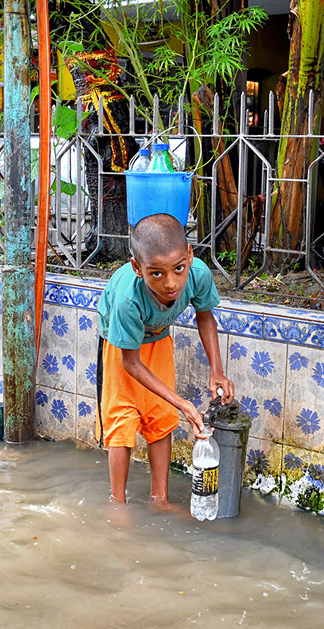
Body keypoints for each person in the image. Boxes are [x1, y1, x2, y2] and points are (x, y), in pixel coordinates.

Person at [96, 213, 234, 506]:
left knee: (160, 415)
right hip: (120, 345)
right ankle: (117, 503)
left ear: (189, 255)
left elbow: (205, 315)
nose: (171, 283)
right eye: (156, 273)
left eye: (179, 269)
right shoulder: (127, 300)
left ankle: (160, 499)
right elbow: (130, 363)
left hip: (157, 338)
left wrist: (217, 370)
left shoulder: (198, 275)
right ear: (137, 268)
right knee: (123, 418)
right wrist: (183, 403)